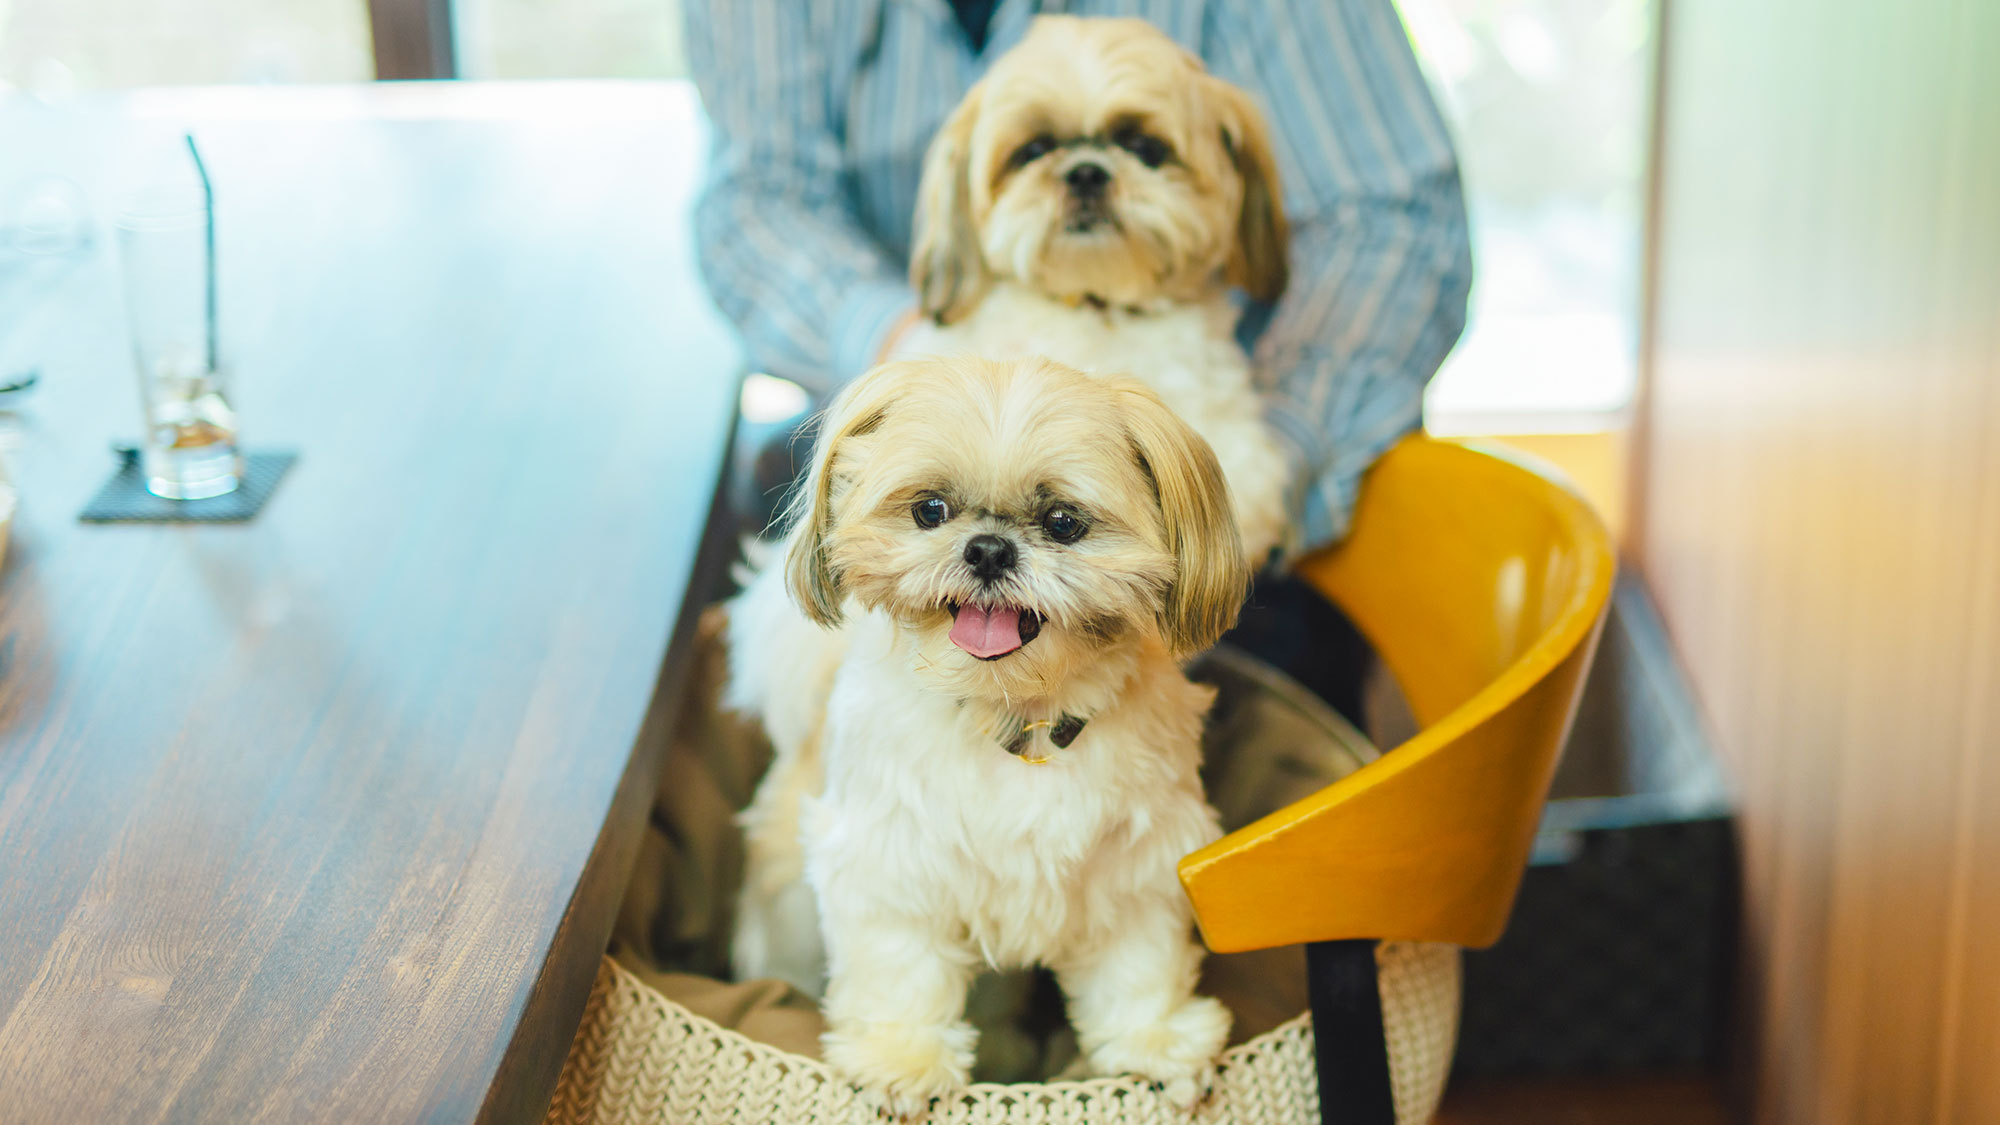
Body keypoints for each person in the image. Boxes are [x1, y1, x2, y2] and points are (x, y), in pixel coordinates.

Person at [686, 0, 1471, 727]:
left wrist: (1248, 480)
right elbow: (757, 200)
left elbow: (1394, 221)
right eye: (1036, 152)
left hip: (1264, 531)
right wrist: (910, 352)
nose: (1086, 179)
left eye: (1142, 146)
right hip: (923, 358)